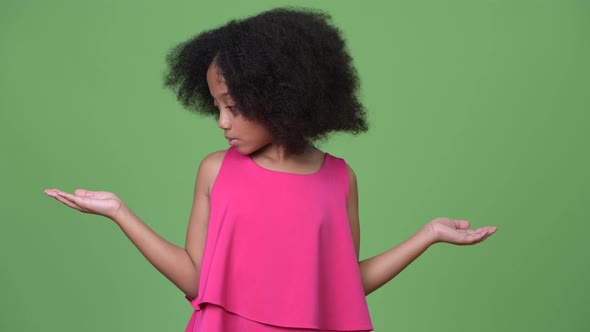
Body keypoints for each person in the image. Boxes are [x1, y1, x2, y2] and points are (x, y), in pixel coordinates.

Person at [43, 7, 497, 332]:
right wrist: (120, 211)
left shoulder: (339, 178)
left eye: (233, 106)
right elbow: (195, 278)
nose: (221, 121)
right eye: (216, 106)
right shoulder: (215, 171)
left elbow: (342, 285)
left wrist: (428, 235)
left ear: (279, 95)